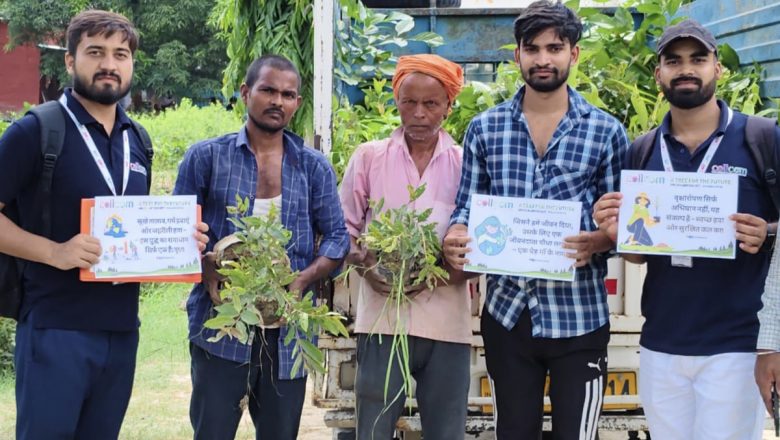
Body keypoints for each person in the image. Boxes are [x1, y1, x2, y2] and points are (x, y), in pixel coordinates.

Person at [0, 10, 207, 439]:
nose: (109, 64)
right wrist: (54, 252)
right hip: (55, 327)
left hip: (121, 330)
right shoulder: (37, 131)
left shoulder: (139, 140)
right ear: (70, 61)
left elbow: (133, 231)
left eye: (121, 54)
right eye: (95, 52)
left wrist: (179, 242)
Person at [442, 2, 629, 438]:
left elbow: (622, 225)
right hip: (508, 315)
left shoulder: (606, 132)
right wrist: (456, 233)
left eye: (555, 47)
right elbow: (467, 205)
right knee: (513, 432)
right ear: (517, 56)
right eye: (533, 48)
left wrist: (597, 242)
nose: (543, 58)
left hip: (578, 316)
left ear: (574, 54)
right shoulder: (485, 129)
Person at [593, 19, 778, 440]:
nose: (685, 69)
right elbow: (640, 253)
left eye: (698, 58)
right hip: (661, 341)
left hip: (735, 344)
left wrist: (766, 231)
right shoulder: (641, 150)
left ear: (718, 68)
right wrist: (616, 229)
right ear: (658, 74)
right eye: (673, 61)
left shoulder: (761, 138)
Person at [174, 54, 350, 440]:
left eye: (288, 94)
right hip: (220, 326)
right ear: (245, 92)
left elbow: (338, 237)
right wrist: (205, 265)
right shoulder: (206, 157)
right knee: (213, 430)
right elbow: (176, 232)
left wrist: (303, 280)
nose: (278, 101)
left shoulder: (313, 166)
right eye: (267, 90)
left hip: (288, 331)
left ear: (297, 104)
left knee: (279, 433)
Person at [340, 54, 471, 440]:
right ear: (396, 101)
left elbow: (483, 249)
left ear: (448, 106)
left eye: (430, 104)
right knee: (374, 430)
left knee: (446, 432)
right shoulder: (368, 157)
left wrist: (439, 275)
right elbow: (343, 231)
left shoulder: (466, 163)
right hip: (382, 321)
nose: (418, 114)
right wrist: (368, 268)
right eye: (408, 102)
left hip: (447, 325)